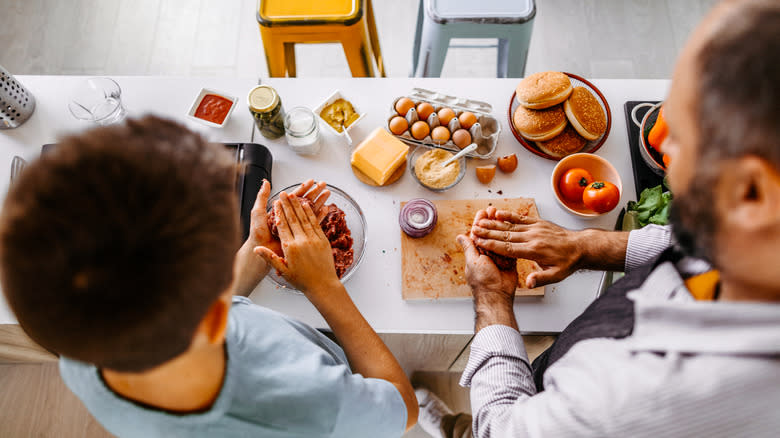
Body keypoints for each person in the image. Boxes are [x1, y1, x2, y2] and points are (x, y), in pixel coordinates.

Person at [415, 0, 780, 437]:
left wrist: (492, 298)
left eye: (678, 138)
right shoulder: (757, 229)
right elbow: (693, 245)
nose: (665, 155)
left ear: (750, 190)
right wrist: (583, 245)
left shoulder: (634, 394)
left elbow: (506, 431)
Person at [0, 116, 417, 437]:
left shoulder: (80, 357)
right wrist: (323, 286)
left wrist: (256, 251)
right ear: (223, 317)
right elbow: (402, 408)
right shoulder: (309, 394)